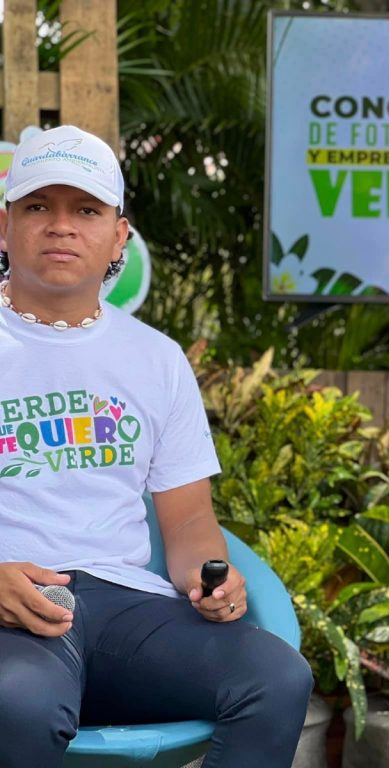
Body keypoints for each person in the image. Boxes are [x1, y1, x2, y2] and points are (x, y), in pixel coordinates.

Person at [0, 125, 313, 768]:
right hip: (14, 602)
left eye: (87, 210)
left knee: (277, 679)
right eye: (38, 206)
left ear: (119, 236)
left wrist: (210, 580)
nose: (61, 226)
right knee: (20, 702)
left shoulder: (156, 359)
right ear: (5, 226)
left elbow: (189, 522)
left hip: (124, 607)